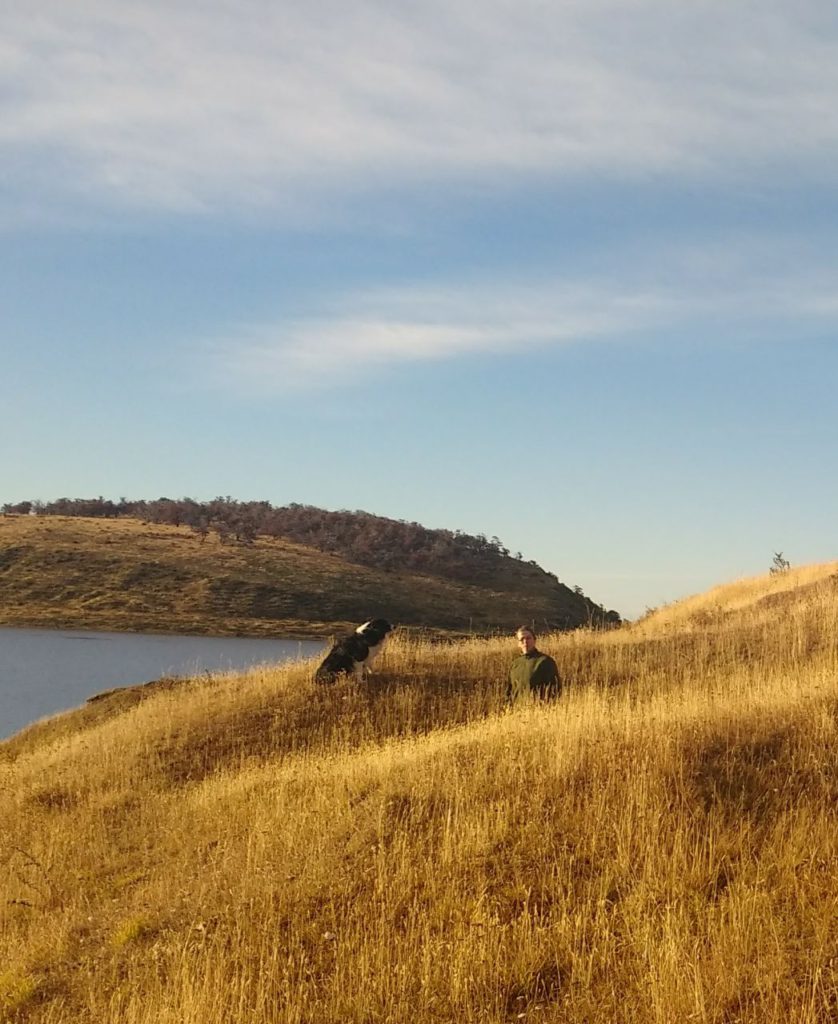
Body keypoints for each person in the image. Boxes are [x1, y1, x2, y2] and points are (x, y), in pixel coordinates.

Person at [506, 625, 561, 704]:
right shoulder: (515, 664)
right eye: (522, 639)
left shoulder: (545, 661)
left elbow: (555, 690)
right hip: (517, 712)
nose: (525, 642)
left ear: (534, 640)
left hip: (538, 712)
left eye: (528, 638)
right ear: (518, 643)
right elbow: (509, 690)